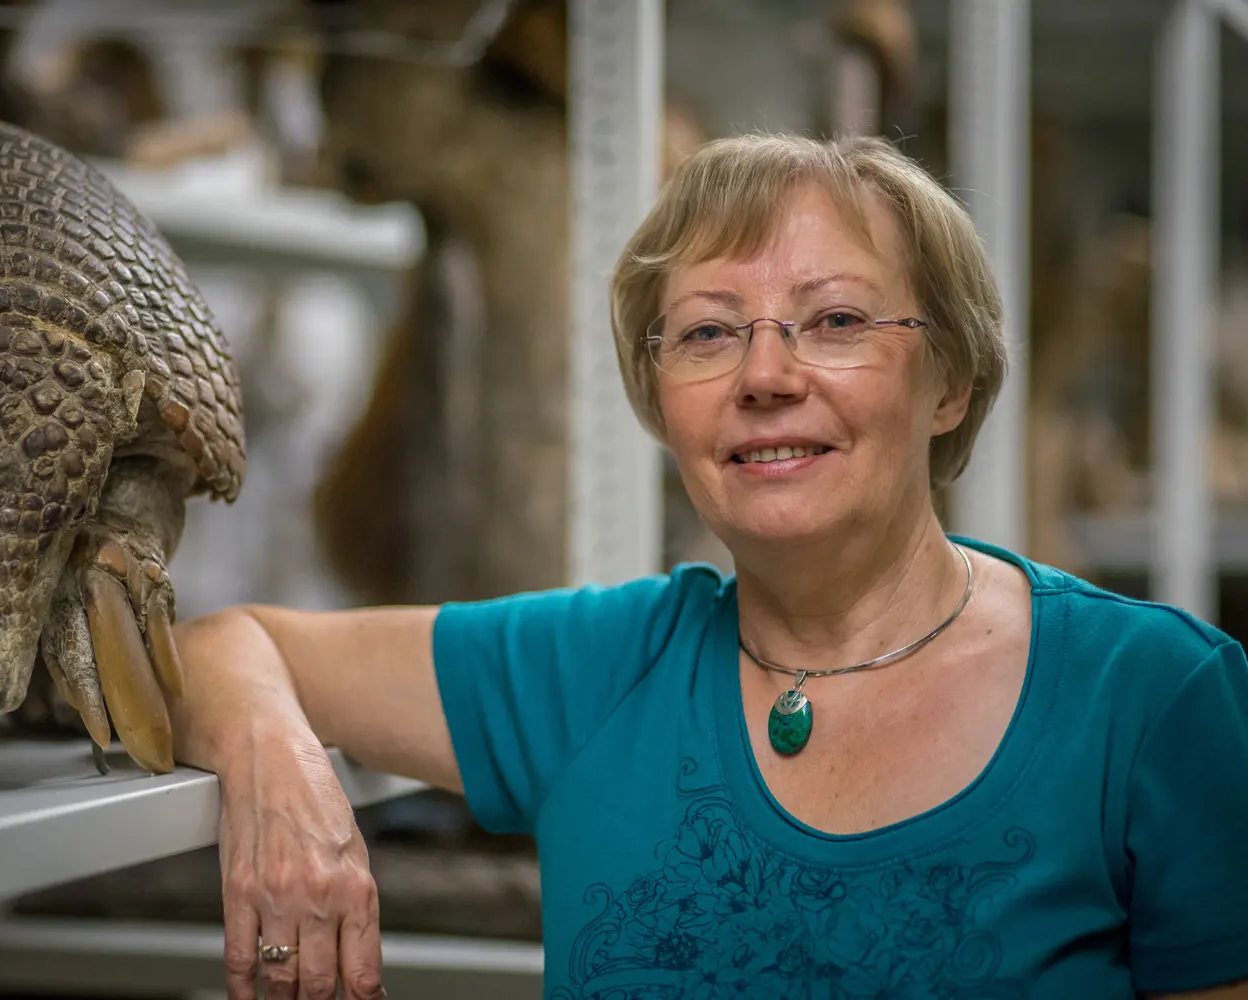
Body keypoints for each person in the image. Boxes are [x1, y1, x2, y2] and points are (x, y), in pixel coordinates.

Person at [165, 132, 1248, 1000]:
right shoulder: (599, 671)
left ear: (950, 381)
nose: (765, 374)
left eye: (833, 320)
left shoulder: (1153, 697)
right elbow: (220, 644)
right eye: (707, 334)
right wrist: (278, 768)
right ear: (661, 401)